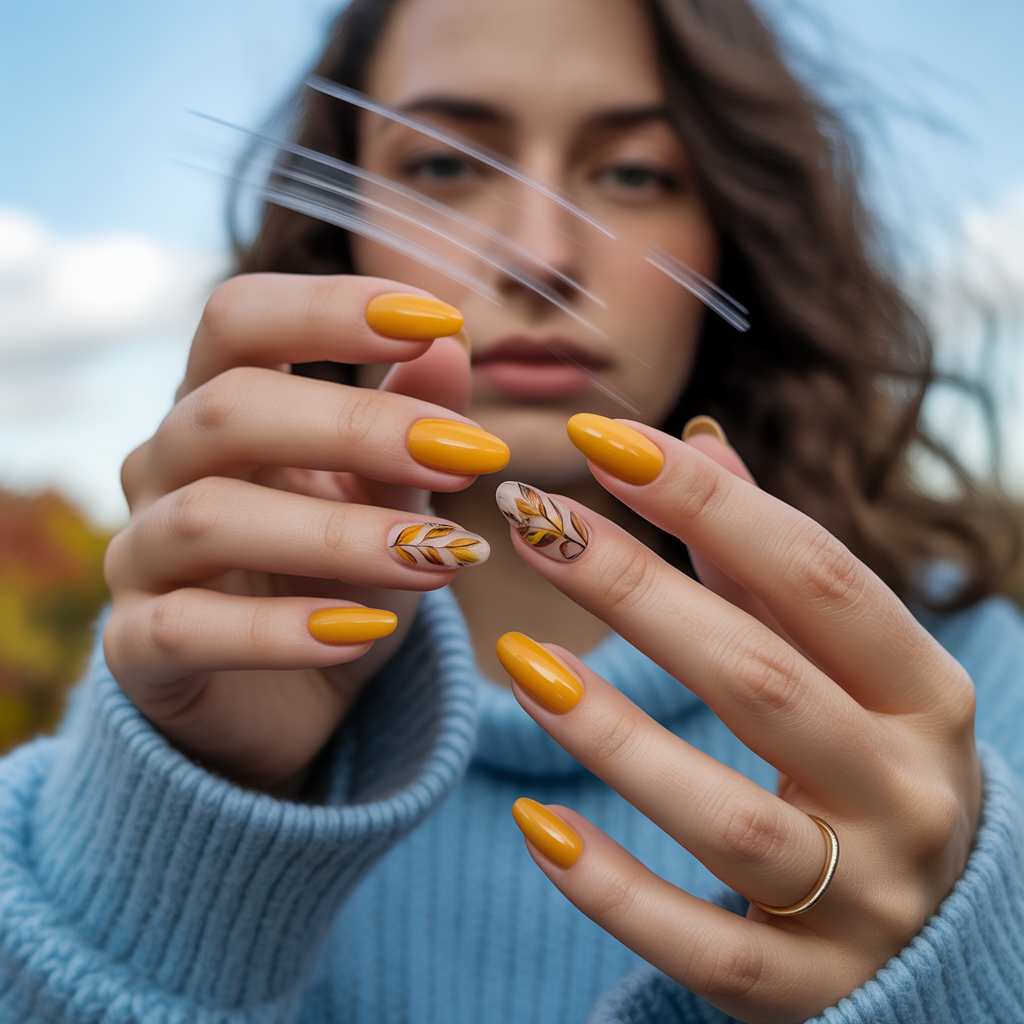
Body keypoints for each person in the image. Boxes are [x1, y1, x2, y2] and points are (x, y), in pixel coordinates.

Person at [1, 0, 1022, 1020]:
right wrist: (192, 816)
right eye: (444, 166)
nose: (540, 257)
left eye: (632, 173)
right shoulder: (187, 659)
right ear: (338, 229)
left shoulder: (961, 686)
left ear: (729, 232)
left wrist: (940, 975)